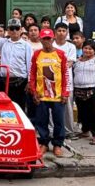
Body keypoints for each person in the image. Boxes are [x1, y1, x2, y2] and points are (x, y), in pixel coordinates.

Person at [29, 28, 69, 157]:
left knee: (59, 121)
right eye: (44, 39)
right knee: (41, 121)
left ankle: (57, 144)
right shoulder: (36, 54)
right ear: (40, 40)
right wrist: (34, 92)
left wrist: (65, 93)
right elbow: (33, 74)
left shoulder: (61, 54)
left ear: (53, 39)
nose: (46, 41)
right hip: (41, 95)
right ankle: (44, 143)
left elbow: (65, 74)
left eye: (49, 39)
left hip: (57, 96)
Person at [0, 18, 33, 117]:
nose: (14, 31)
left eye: (17, 28)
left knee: (19, 108)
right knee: (4, 108)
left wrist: (30, 82)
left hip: (20, 81)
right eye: (12, 28)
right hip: (4, 81)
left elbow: (30, 65)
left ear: (21, 30)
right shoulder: (4, 42)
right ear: (8, 30)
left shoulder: (27, 45)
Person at [73, 40, 95, 145]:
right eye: (86, 48)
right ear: (82, 48)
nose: (87, 50)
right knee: (83, 112)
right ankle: (85, 131)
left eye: (90, 49)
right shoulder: (78, 60)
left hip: (94, 89)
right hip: (79, 89)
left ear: (94, 50)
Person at [53, 22, 78, 137]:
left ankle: (69, 130)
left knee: (67, 107)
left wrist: (55, 65)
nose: (61, 33)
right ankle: (52, 130)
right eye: (59, 30)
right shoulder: (51, 45)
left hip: (67, 82)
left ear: (67, 32)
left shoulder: (71, 46)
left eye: (63, 31)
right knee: (51, 107)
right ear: (55, 32)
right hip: (51, 81)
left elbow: (69, 63)